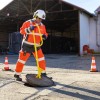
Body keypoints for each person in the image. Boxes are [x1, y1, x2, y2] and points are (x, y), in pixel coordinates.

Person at [14, 9, 48, 81]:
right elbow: (21, 31)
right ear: (35, 16)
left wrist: (45, 36)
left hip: (37, 46)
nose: (40, 20)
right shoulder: (27, 23)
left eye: (41, 19)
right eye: (39, 18)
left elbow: (45, 33)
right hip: (27, 45)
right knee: (22, 60)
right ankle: (17, 74)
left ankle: (43, 74)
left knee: (41, 59)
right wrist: (29, 29)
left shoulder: (42, 26)